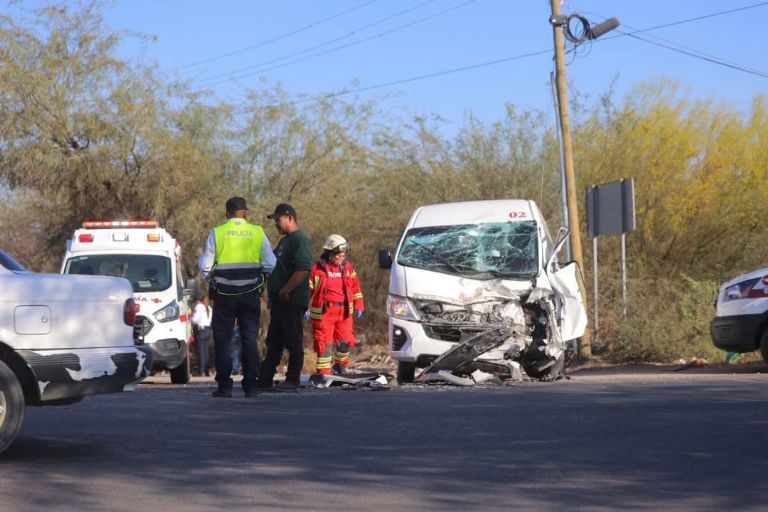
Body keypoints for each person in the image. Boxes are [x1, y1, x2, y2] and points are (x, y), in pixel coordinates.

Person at [198, 196, 276, 397]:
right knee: (249, 338)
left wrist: (213, 280)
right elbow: (270, 263)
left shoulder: (218, 233)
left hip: (224, 295)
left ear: (227, 213)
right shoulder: (257, 232)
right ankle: (250, 385)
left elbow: (205, 266)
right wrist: (259, 277)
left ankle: (224, 386)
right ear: (245, 213)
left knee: (223, 339)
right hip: (250, 294)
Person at [257, 203, 312, 392]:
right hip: (279, 301)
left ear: (289, 218)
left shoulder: (299, 239)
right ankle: (265, 377)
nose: (276, 224)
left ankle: (293, 379)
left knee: (293, 339)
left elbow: (303, 269)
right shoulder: (284, 241)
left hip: (291, 299)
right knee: (274, 340)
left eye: (278, 220)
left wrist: (285, 290)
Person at [308, 234, 365, 376]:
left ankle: (340, 366)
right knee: (324, 345)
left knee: (346, 342)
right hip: (324, 313)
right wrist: (304, 306)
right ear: (330, 253)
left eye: (343, 254)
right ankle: (323, 373)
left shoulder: (347, 268)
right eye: (339, 255)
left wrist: (359, 304)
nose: (342, 257)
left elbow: (355, 288)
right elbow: (307, 289)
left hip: (344, 313)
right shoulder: (317, 269)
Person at [190, 294, 213, 377]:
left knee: (201, 352)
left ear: (200, 300)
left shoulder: (199, 307)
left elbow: (195, 320)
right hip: (208, 330)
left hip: (201, 330)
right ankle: (206, 371)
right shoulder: (209, 308)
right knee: (206, 351)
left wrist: (190, 319)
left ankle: (201, 371)